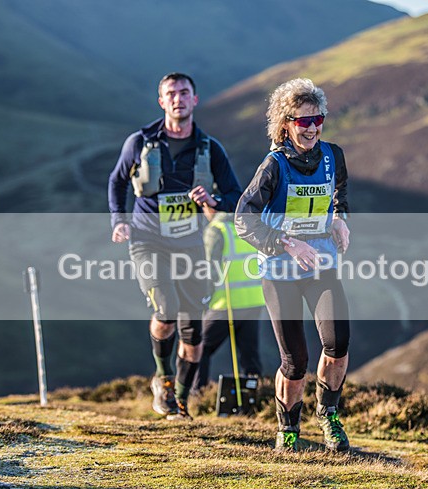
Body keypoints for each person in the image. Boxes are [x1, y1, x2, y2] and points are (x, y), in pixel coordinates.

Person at [108, 72, 242, 420]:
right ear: (162, 101)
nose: (178, 98)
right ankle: (163, 378)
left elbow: (235, 195)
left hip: (191, 244)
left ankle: (179, 405)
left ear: (195, 99)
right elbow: (117, 180)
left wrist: (212, 198)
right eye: (171, 93)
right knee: (165, 308)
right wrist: (118, 220)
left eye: (184, 92)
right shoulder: (140, 142)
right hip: (147, 239)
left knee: (193, 332)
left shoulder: (210, 149)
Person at [235, 78, 351, 452]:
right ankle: (288, 428)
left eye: (318, 120)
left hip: (321, 265)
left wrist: (339, 219)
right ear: (286, 124)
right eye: (303, 122)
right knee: (295, 360)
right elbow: (243, 220)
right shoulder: (273, 166)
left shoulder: (333, 155)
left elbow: (338, 194)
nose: (313, 128)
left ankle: (329, 415)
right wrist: (286, 243)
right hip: (279, 270)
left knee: (337, 342)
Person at [190, 207, 265, 394]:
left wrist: (203, 299)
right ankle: (255, 396)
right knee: (249, 354)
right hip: (254, 300)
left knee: (200, 348)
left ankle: (198, 394)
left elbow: (210, 270)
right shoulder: (249, 226)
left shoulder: (217, 230)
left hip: (226, 303)